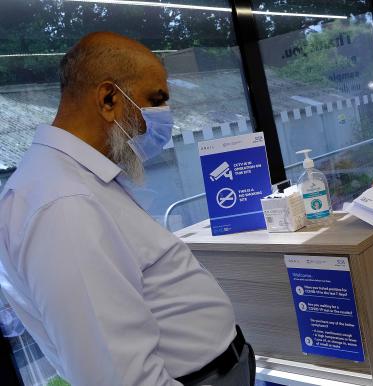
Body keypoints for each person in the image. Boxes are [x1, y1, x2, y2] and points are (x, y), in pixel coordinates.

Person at [0, 32, 254, 385]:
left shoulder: (78, 182)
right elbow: (118, 376)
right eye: (156, 100)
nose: (165, 119)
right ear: (108, 99)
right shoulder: (64, 204)